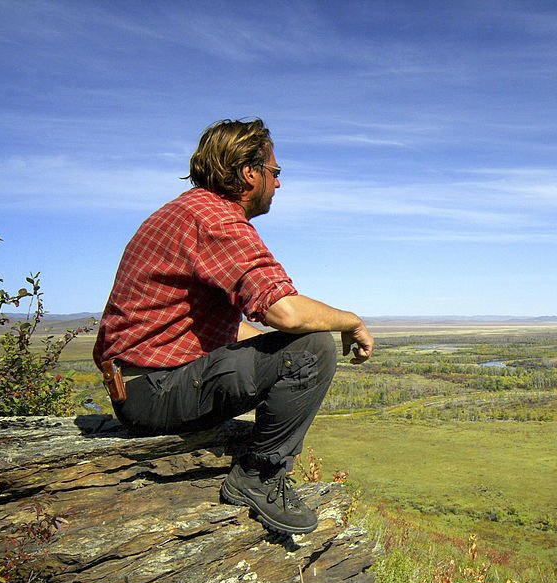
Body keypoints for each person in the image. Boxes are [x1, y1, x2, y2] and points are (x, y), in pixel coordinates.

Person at [93, 118, 374, 536]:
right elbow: (286, 313)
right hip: (152, 392)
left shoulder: (187, 212)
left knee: (292, 349)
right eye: (275, 173)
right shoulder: (216, 220)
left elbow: (224, 330)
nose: (278, 185)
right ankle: (259, 478)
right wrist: (351, 321)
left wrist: (275, 359)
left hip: (140, 384)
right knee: (314, 347)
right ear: (249, 173)